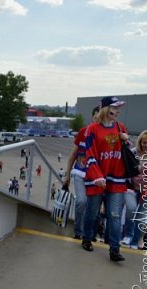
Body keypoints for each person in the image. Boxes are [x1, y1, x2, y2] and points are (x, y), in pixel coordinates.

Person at [81, 96, 129, 262]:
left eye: (118, 108)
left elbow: (126, 153)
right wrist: (97, 176)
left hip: (116, 178)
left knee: (114, 215)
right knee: (93, 213)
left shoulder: (120, 127)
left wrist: (126, 140)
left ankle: (114, 250)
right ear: (105, 109)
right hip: (96, 178)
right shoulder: (92, 130)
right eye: (115, 107)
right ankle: (87, 238)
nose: (118, 111)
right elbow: (89, 155)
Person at [63, 106, 100, 239]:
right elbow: (73, 154)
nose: (98, 121)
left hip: (97, 177)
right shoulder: (83, 132)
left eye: (100, 119)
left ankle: (90, 233)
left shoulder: (105, 136)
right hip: (80, 173)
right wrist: (67, 175)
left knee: (94, 207)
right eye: (96, 118)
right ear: (92, 117)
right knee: (81, 202)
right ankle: (78, 232)